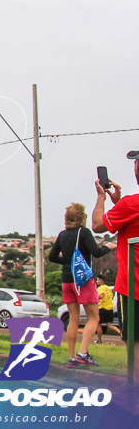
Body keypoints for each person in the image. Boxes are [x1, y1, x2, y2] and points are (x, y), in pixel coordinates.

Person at [92, 150, 139, 383]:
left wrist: (102, 197)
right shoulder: (128, 206)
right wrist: (119, 204)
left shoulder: (133, 204)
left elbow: (98, 225)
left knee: (135, 345)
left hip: (134, 290)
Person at [48, 203, 113, 367]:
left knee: (73, 319)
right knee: (94, 317)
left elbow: (52, 257)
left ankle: (71, 357)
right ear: (82, 217)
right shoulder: (83, 233)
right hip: (82, 280)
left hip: (67, 280)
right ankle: (83, 353)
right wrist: (108, 247)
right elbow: (96, 252)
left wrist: (67, 262)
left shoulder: (62, 235)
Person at [96, 274, 122, 343]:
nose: (97, 281)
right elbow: (112, 297)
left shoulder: (101, 288)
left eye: (97, 280)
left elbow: (101, 295)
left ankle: (99, 340)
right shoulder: (109, 288)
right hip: (110, 309)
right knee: (110, 325)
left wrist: (96, 298)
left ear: (100, 280)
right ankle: (121, 333)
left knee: (98, 323)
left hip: (103, 309)